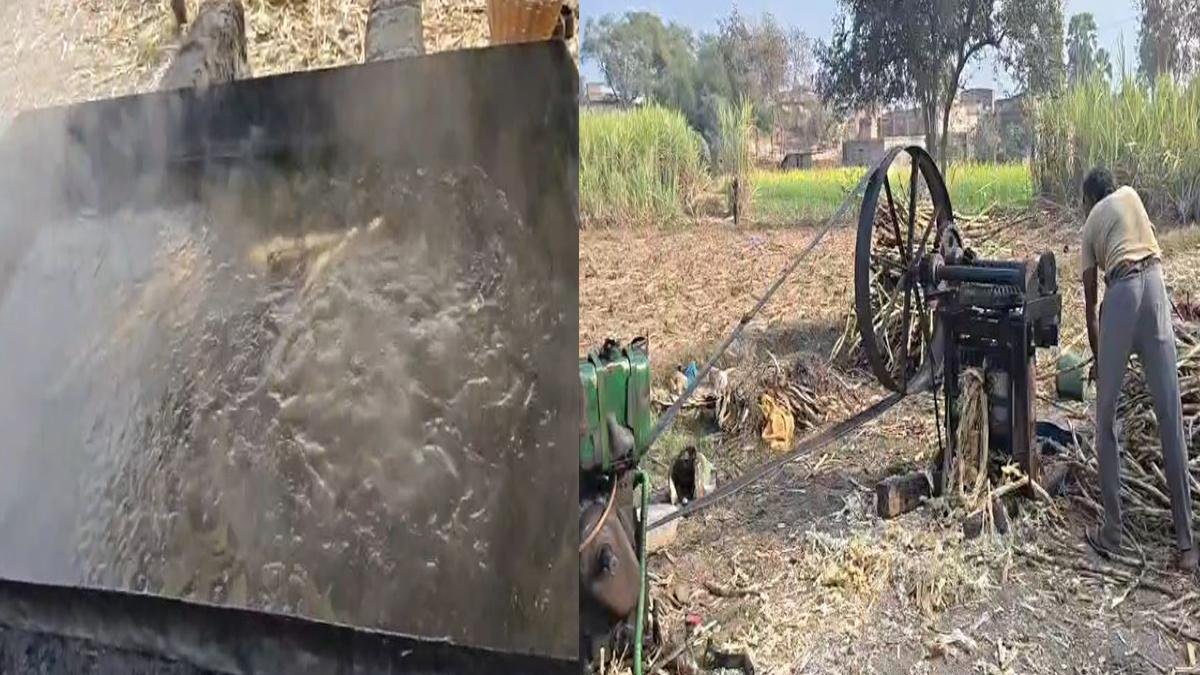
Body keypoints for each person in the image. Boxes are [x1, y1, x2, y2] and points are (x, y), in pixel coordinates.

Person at [1080, 167, 1197, 574]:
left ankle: (1112, 532)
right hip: (1157, 288)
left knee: (1105, 420)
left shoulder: (1090, 224)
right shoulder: (1131, 195)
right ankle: (1187, 544)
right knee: (1170, 417)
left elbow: (1091, 309)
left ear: (1088, 199)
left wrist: (1100, 361)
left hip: (1123, 294)